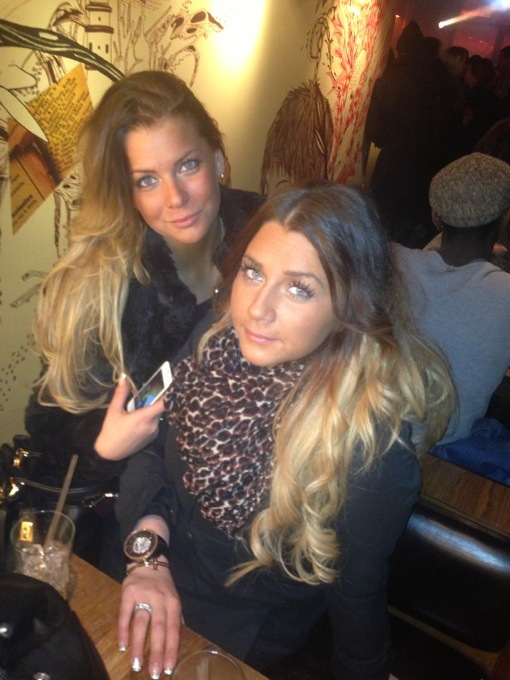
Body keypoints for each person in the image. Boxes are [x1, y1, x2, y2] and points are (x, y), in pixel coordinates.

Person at [98, 183, 454, 679]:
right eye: (253, 271)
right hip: (135, 562)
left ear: (350, 309)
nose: (255, 309)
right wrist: (149, 550)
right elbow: (153, 446)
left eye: (298, 288)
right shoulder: (215, 338)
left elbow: (356, 601)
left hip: (228, 634)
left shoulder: (370, 455)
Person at [25, 70, 263, 573]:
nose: (175, 198)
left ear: (218, 159)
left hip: (256, 518)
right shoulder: (103, 287)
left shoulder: (269, 236)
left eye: (187, 165)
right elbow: (47, 422)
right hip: (141, 528)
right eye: (147, 180)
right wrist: (103, 445)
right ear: (128, 192)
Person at [395, 152, 510, 447]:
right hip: (442, 449)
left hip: (361, 434)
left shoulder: (389, 261)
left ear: (436, 216)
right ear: (504, 219)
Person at [364, 20, 458, 248]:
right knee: (414, 235)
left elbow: (376, 131)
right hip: (429, 169)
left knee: (380, 227)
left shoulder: (390, 79)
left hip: (393, 163)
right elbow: (450, 134)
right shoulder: (446, 82)